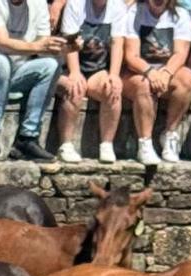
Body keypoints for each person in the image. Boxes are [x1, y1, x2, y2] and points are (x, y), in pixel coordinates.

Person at [0, 0, 61, 161]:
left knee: (51, 65)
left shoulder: (38, 3)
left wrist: (65, 47)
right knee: (0, 63)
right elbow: (2, 43)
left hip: (15, 71)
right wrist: (41, 46)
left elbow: (44, 47)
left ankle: (27, 138)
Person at [120, 0, 191, 161]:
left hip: (167, 69)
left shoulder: (181, 15)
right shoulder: (134, 13)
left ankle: (170, 134)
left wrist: (167, 72)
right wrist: (149, 71)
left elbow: (180, 53)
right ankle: (145, 142)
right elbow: (131, 56)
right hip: (137, 71)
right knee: (144, 85)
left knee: (187, 78)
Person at [52, 0, 123, 163]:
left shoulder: (117, 6)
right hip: (71, 64)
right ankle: (66, 144)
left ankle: (106, 144)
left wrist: (114, 74)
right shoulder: (75, 4)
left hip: (98, 67)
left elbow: (117, 43)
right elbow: (70, 40)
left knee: (112, 88)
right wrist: (75, 72)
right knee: (76, 88)